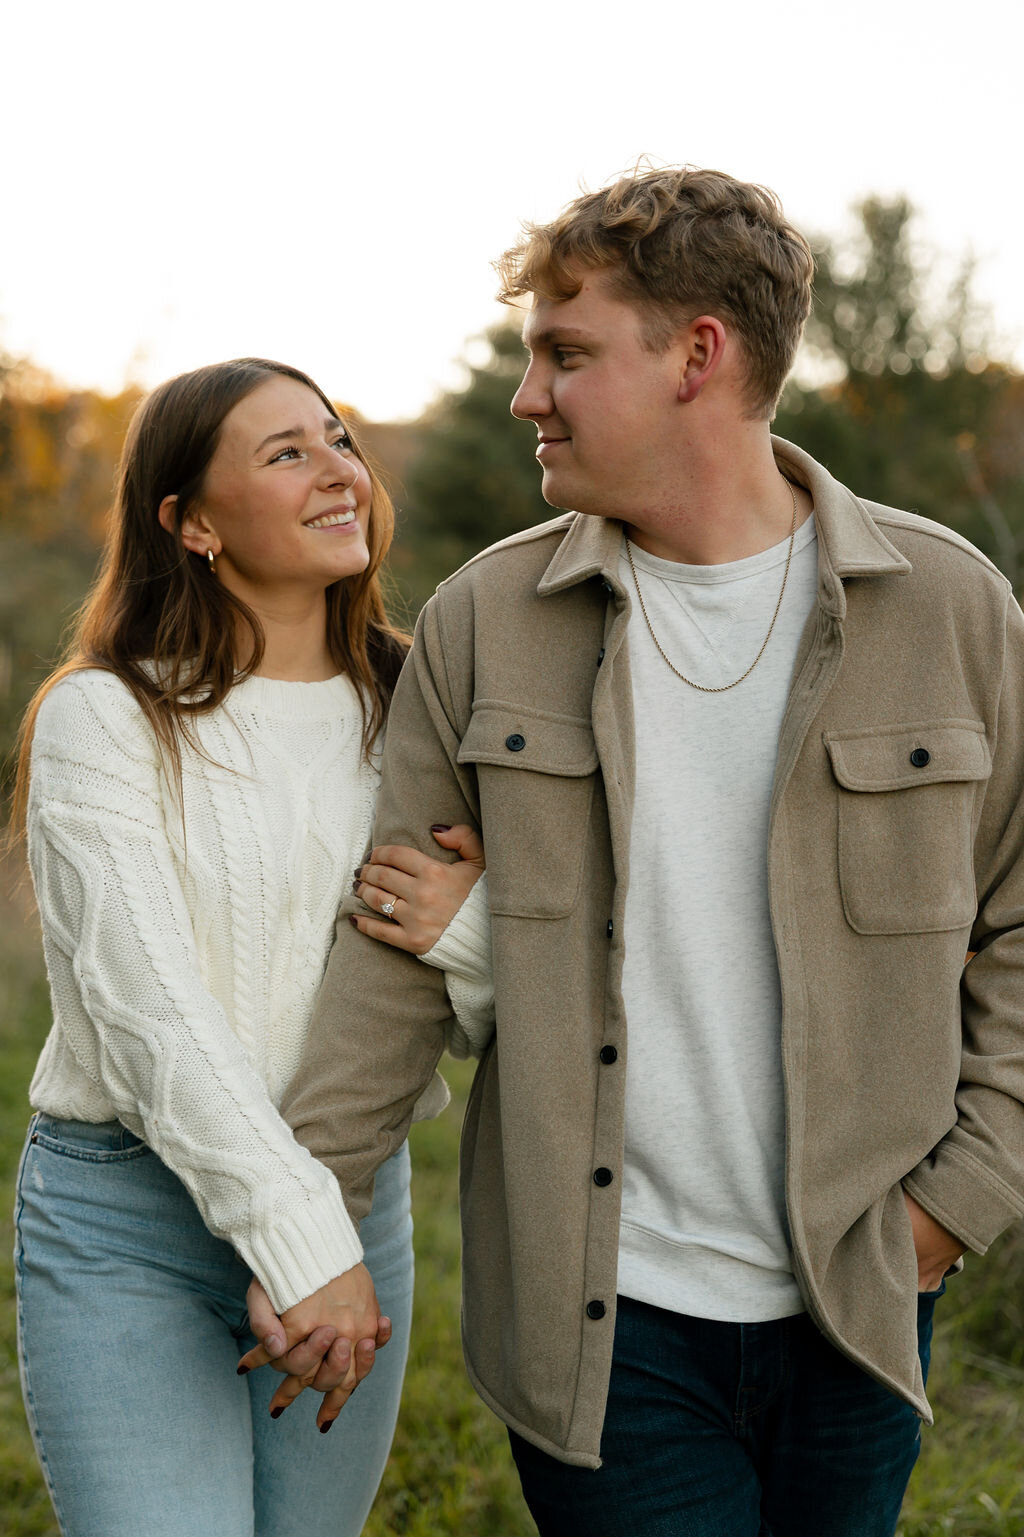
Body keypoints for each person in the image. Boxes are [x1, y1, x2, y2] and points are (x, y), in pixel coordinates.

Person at [248, 169, 1024, 1536]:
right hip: (605, 1324)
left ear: (698, 358)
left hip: (865, 1301)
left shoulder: (953, 609)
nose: (524, 395)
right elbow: (391, 964)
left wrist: (951, 1209)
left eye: (567, 354)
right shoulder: (490, 618)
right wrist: (299, 1223)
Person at [11, 357, 494, 1537]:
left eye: (339, 440)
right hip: (134, 1219)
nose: (338, 472)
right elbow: (146, 1015)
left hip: (356, 1196)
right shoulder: (107, 717)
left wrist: (467, 934)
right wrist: (301, 1239)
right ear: (190, 523)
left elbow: (514, 1010)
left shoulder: (426, 707)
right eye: (285, 453)